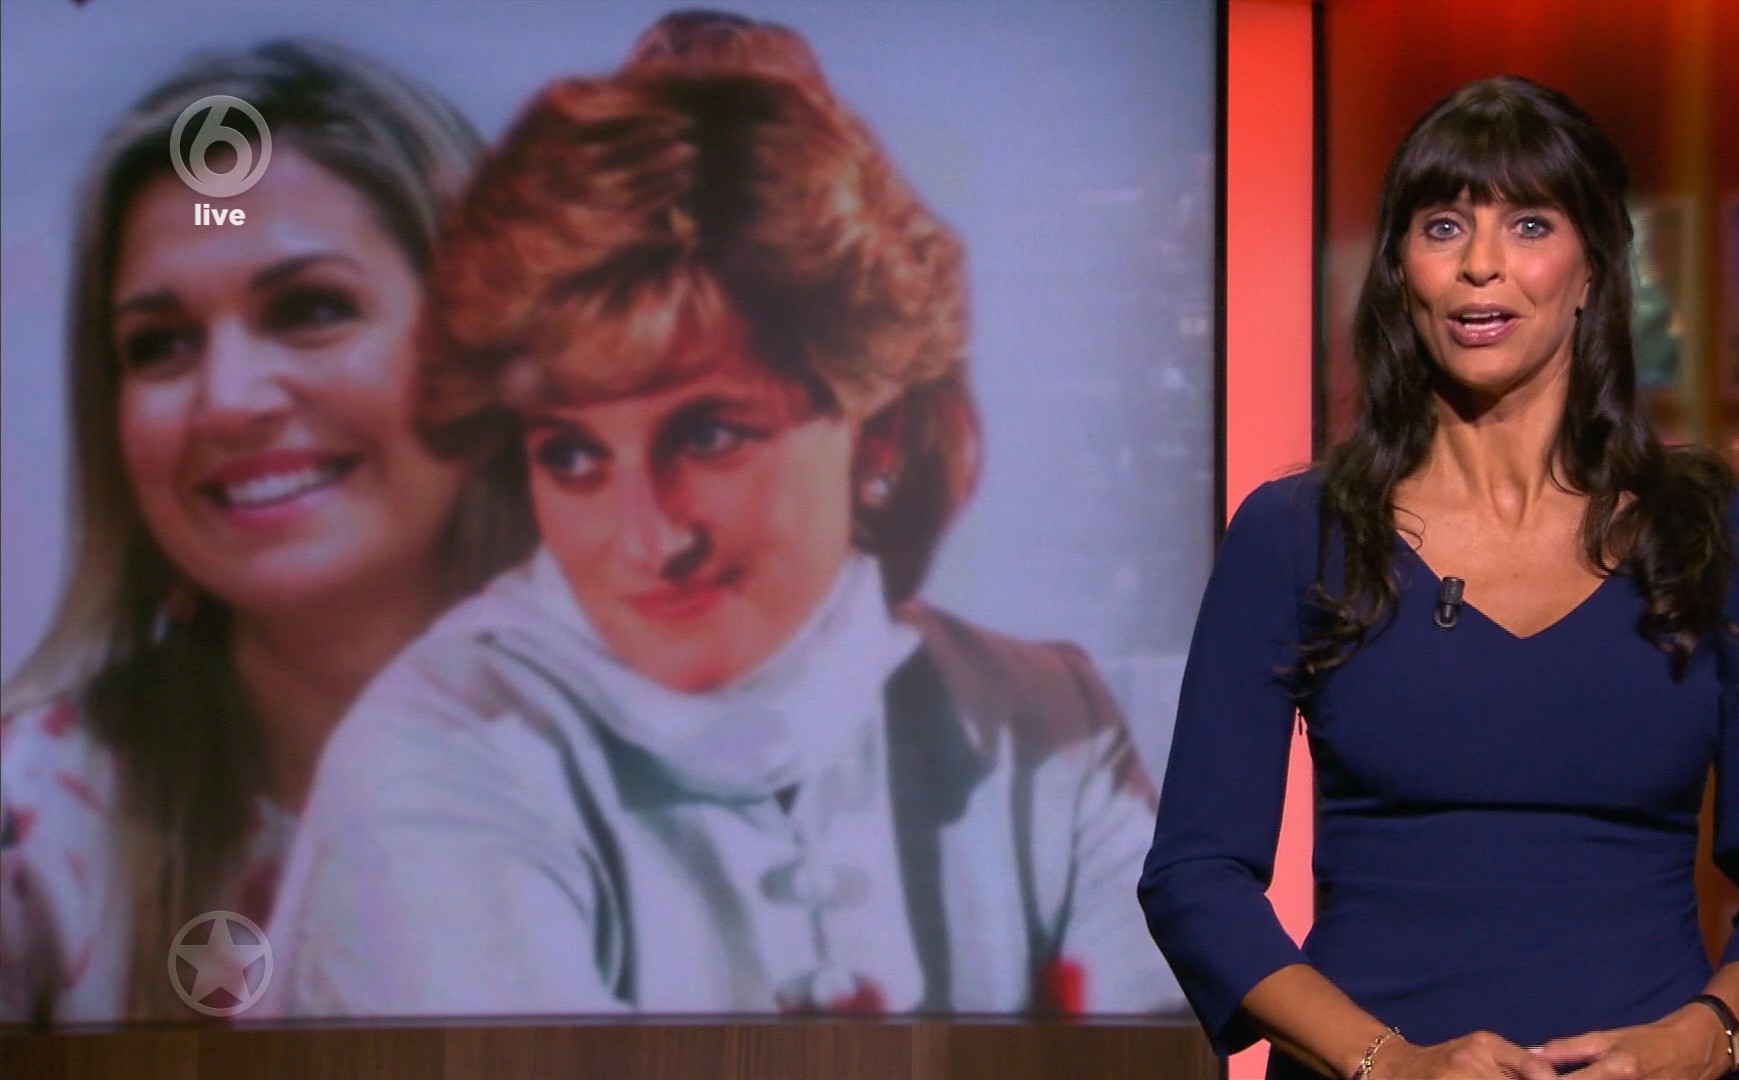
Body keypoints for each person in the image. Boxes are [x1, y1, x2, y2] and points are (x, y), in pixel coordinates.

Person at [265, 11, 1178, 1019]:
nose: (647, 540)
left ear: (878, 433)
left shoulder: (1045, 719)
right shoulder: (435, 750)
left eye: (708, 437)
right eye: (572, 455)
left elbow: (1157, 1055)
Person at [1140, 77, 1739, 1080]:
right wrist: (1390, 1063)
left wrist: (1704, 1038)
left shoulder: (1722, 537)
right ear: (1401, 271)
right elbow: (1195, 877)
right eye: (1444, 227)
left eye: (1529, 224)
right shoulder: (1298, 533)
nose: (1481, 264)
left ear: (1593, 267)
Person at [0, 41, 531, 1023]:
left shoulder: (715, 784)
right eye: (161, 345)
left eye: (311, 309)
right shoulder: (28, 823)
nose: (228, 399)